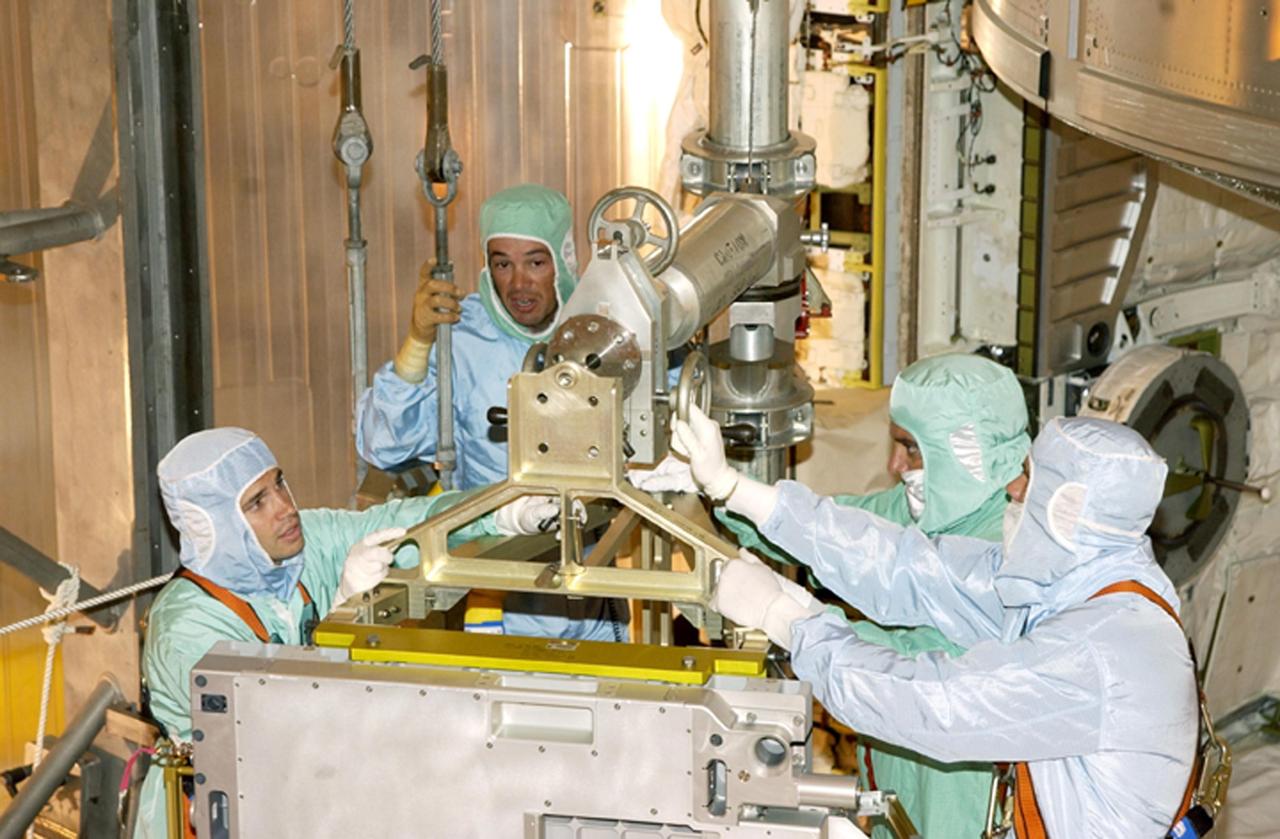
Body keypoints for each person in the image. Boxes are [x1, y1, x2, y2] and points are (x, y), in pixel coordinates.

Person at [681, 412, 1200, 837]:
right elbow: (910, 567)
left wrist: (788, 620)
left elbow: (935, 703)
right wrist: (740, 492)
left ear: (1065, 510)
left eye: (1031, 480)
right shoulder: (1076, 579)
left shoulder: (1100, 653)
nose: (1014, 490)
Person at [132, 427, 555, 838]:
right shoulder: (185, 627)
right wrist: (342, 613)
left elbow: (401, 523)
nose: (285, 507)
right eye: (257, 502)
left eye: (280, 484)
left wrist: (500, 512)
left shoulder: (304, 545)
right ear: (213, 524)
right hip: (222, 814)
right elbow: (269, 737)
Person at [702, 353, 1028, 839]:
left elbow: (915, 673)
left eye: (911, 449)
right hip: (897, 776)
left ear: (966, 455)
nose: (896, 467)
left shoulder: (1012, 556)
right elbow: (839, 533)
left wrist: (796, 620)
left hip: (960, 791)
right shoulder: (931, 508)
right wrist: (726, 496)